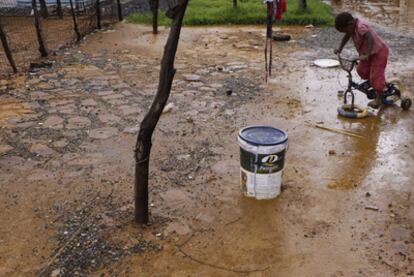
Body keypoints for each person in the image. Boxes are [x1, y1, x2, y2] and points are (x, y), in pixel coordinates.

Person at [334, 12, 389, 108]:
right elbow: (346, 37)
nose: (347, 33)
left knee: (375, 76)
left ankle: (379, 98)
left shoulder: (360, 27)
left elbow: (369, 38)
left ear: (350, 24)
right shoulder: (351, 28)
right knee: (361, 70)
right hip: (367, 54)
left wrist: (366, 54)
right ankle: (376, 82)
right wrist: (340, 48)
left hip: (378, 52)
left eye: (346, 30)